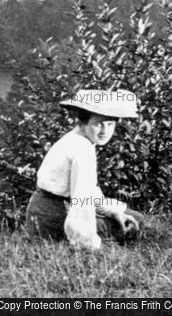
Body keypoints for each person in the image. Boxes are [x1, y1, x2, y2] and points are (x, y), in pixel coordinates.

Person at [25, 89, 145, 250]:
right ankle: (96, 250)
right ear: (83, 122)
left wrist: (113, 212)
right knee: (134, 223)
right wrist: (87, 243)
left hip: (40, 210)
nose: (104, 131)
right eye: (98, 124)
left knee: (133, 217)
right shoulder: (81, 149)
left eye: (110, 124)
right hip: (52, 216)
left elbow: (89, 190)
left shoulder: (77, 139)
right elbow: (81, 201)